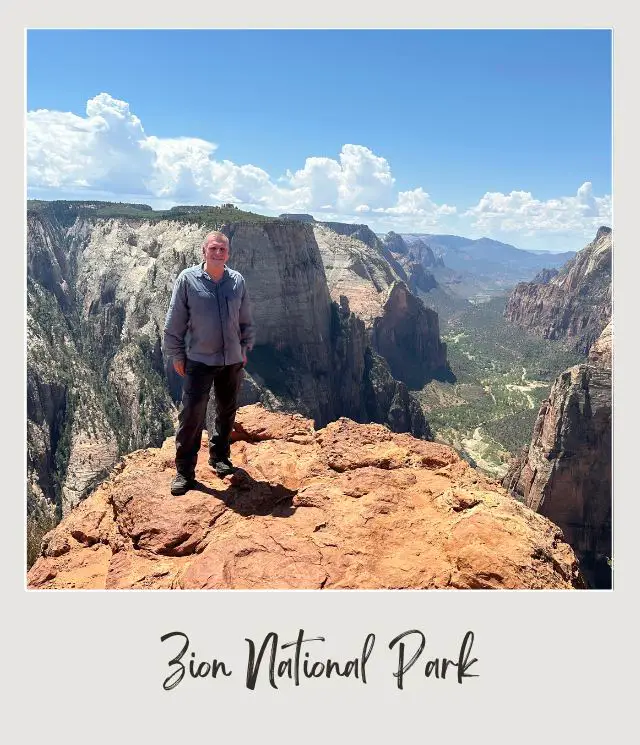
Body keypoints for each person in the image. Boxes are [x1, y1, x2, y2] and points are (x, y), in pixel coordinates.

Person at [163, 231, 255, 495]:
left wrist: (245, 347)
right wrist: (177, 355)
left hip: (231, 359)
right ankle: (184, 472)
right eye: (213, 248)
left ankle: (220, 457)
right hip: (199, 359)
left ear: (228, 253)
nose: (218, 253)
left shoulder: (237, 281)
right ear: (203, 251)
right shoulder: (188, 279)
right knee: (192, 413)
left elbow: (245, 317)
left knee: (227, 410)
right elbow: (174, 321)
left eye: (222, 250)